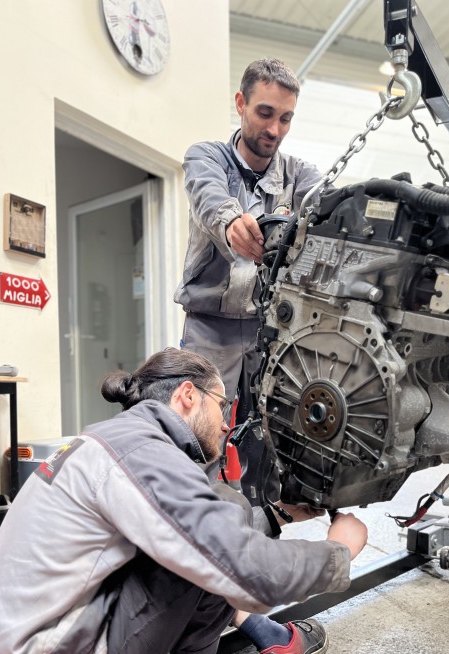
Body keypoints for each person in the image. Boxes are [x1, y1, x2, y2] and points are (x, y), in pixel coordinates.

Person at [0, 348, 367, 654]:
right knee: (223, 513)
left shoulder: (114, 438)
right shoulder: (146, 453)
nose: (226, 423)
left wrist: (277, 514)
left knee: (208, 523)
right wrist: (339, 551)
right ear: (187, 394)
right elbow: (250, 576)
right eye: (222, 405)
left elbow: (192, 522)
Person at [174, 57, 322, 509]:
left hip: (267, 330)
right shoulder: (207, 156)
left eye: (285, 118)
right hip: (209, 327)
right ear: (240, 104)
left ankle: (261, 530)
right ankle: (194, 531)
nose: (274, 129)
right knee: (197, 434)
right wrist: (232, 221)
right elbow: (208, 196)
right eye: (264, 113)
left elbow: (327, 203)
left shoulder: (298, 175)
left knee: (267, 434)